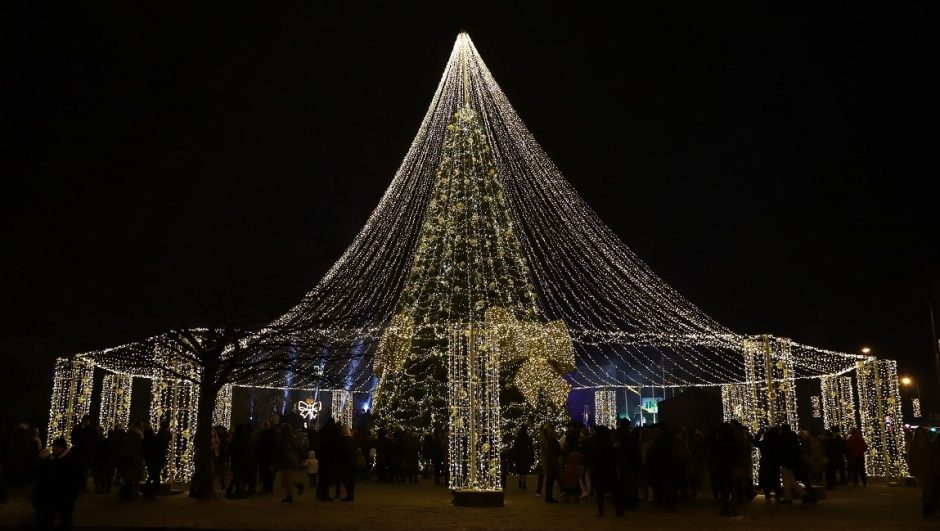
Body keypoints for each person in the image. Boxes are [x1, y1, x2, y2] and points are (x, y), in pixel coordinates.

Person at [32, 437, 83, 529]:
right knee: (47, 518)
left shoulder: (71, 461)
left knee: (65, 517)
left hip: (64, 495)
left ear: (62, 448)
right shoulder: (50, 459)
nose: (53, 449)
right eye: (53, 447)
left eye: (55, 447)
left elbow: (75, 480)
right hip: (50, 495)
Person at [908, 426, 938, 518]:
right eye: (919, 434)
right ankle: (927, 506)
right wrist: (912, 469)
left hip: (929, 469)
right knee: (924, 489)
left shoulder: (930, 444)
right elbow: (910, 458)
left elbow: (934, 457)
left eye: (922, 434)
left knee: (928, 489)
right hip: (920, 470)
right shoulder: (913, 445)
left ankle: (928, 507)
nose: (921, 436)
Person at [274, 423, 305, 502]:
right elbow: (298, 448)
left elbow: (281, 451)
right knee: (286, 478)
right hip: (292, 459)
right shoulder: (293, 438)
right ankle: (296, 486)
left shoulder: (283, 440)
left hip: (286, 460)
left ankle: (290, 495)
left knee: (286, 478)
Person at [538, 422, 561, 503]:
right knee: (550, 480)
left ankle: (549, 496)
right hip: (550, 461)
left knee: (550, 480)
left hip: (550, 461)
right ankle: (548, 497)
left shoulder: (546, 438)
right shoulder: (547, 439)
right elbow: (550, 450)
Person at [512, 425, 534, 490]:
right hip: (526, 456)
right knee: (524, 471)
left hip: (519, 457)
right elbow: (531, 448)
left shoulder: (517, 439)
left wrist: (514, 457)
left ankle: (520, 481)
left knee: (520, 470)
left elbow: (515, 448)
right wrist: (531, 456)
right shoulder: (528, 438)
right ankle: (524, 483)